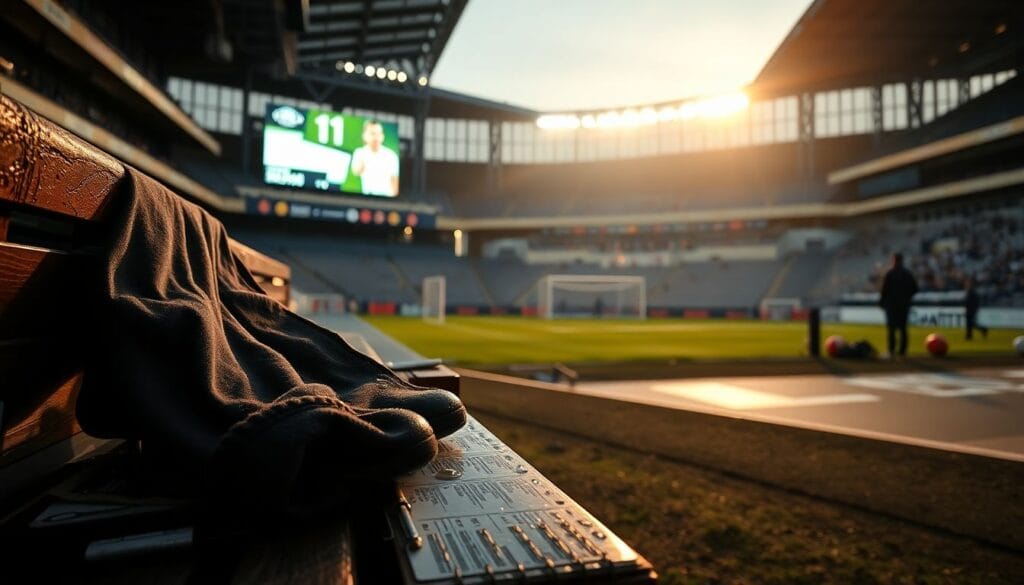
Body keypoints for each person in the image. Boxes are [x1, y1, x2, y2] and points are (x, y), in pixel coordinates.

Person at [878, 253, 918, 358]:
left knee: (891, 329)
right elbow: (915, 288)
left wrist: (882, 302)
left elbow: (884, 290)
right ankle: (903, 351)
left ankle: (891, 351)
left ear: (894, 260)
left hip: (892, 306)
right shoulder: (907, 273)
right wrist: (907, 298)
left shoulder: (890, 273)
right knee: (903, 328)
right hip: (904, 305)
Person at [350, 120, 399, 196]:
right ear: (364, 135)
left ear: (383, 136)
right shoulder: (360, 153)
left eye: (378, 134)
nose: (376, 137)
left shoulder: (391, 156)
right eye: (372, 134)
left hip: (386, 199)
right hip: (367, 199)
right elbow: (356, 172)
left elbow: (395, 183)